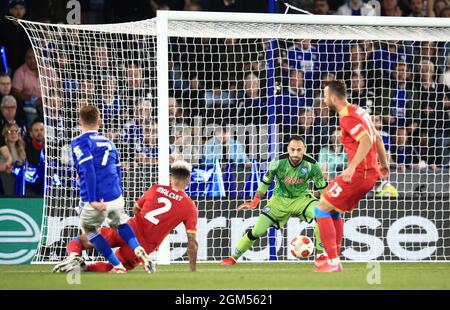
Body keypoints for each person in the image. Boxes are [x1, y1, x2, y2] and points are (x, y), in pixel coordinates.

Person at [53, 160, 198, 273]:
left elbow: (136, 209)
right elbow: (192, 243)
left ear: (171, 178)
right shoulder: (189, 206)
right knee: (114, 267)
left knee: (82, 239)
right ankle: (84, 267)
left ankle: (73, 256)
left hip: (127, 228)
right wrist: (193, 269)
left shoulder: (156, 188)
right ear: (188, 181)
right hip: (145, 244)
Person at [66, 105, 152, 274]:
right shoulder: (109, 142)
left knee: (90, 230)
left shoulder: (79, 142)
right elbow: (117, 169)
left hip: (96, 198)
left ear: (79, 120)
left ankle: (117, 265)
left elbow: (89, 169)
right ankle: (137, 248)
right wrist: (117, 193)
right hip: (115, 195)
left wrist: (92, 199)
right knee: (120, 223)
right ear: (100, 121)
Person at [314, 80, 389, 272]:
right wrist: (384, 164)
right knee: (332, 210)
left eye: (324, 96)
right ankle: (334, 258)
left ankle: (332, 261)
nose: (323, 100)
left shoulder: (347, 117)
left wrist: (351, 167)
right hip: (368, 173)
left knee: (321, 208)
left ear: (332, 97)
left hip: (359, 174)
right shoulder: (359, 110)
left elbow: (365, 140)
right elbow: (377, 137)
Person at [221, 136, 329, 267]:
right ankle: (233, 257)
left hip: (302, 199)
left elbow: (323, 188)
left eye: (299, 150)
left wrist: (331, 204)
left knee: (322, 213)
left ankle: (321, 255)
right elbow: (265, 183)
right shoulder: (277, 162)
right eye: (292, 149)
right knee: (257, 231)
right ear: (288, 149)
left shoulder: (312, 165)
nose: (295, 153)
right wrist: (255, 201)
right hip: (278, 200)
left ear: (304, 150)